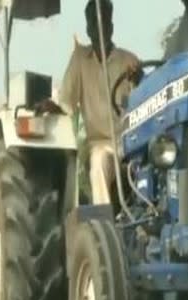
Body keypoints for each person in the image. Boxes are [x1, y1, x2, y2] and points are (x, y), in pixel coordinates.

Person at [37, 0, 143, 205]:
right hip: (102, 144)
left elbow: (143, 99)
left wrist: (138, 79)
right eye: (94, 23)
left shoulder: (129, 61)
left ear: (111, 25)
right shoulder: (79, 60)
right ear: (88, 27)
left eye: (103, 22)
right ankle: (104, 224)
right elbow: (66, 104)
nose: (99, 28)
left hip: (131, 142)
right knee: (98, 163)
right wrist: (52, 107)